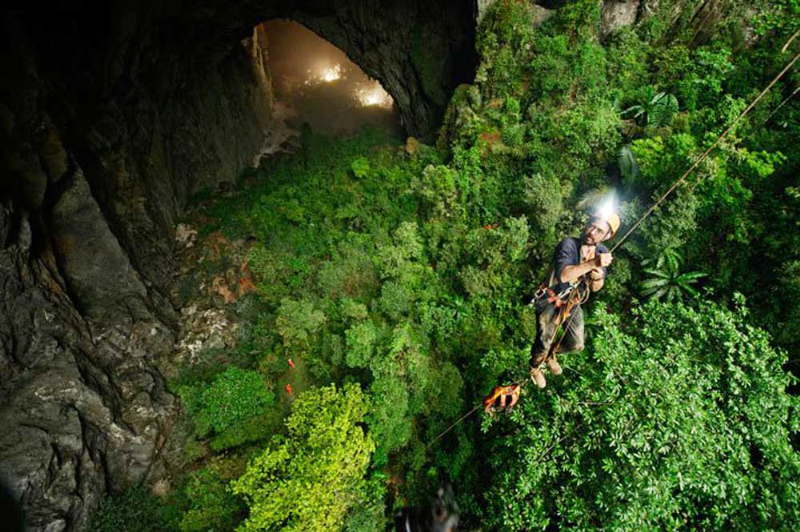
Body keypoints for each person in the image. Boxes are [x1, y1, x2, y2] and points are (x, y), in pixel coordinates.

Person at [528, 212, 619, 389]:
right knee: (543, 341)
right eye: (592, 225)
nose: (592, 232)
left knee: (576, 344)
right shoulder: (568, 244)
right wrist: (592, 264)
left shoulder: (602, 252)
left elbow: (595, 289)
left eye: (599, 231)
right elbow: (564, 275)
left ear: (607, 236)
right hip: (550, 298)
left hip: (572, 301)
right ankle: (534, 367)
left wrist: (598, 277)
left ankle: (550, 355)